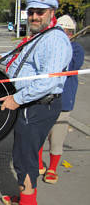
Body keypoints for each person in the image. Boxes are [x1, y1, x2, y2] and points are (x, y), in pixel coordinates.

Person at [0, 0, 72, 205]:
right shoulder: (40, 36)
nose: (34, 16)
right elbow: (27, 65)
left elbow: (48, 82)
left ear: (51, 14)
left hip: (36, 105)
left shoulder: (54, 39)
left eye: (39, 12)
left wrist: (17, 99)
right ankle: (27, 197)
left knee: (24, 158)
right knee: (24, 154)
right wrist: (2, 59)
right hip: (30, 104)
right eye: (31, 12)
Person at [38, 15, 84, 184]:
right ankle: (38, 162)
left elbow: (71, 66)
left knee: (57, 136)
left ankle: (52, 168)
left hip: (64, 99)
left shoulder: (76, 49)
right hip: (44, 97)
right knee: (40, 133)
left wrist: (63, 49)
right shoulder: (49, 46)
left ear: (70, 33)